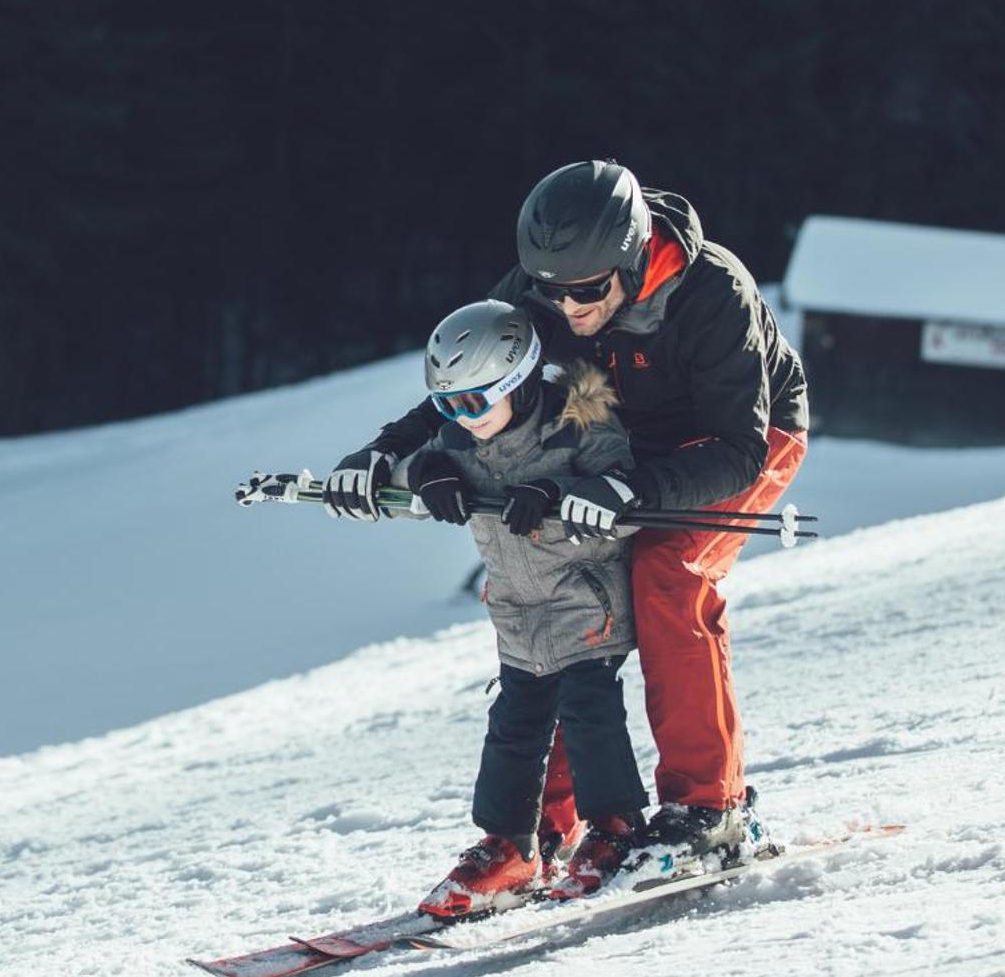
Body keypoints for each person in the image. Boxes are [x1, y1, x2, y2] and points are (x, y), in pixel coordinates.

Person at [324, 160, 810, 880]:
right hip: (605, 438)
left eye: (586, 292)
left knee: (664, 573)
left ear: (632, 258)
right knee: (558, 593)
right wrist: (387, 451)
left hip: (728, 443)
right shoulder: (539, 292)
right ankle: (540, 833)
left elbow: (737, 448)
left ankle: (710, 810)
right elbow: (476, 382)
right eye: (552, 292)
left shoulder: (712, 291)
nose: (568, 308)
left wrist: (626, 489)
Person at [388, 297, 649, 917]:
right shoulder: (460, 437)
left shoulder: (578, 420)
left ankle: (615, 833)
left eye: (475, 401)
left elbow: (625, 486)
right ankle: (509, 846)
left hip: (585, 605)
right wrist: (427, 471)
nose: (462, 417)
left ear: (519, 382)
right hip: (518, 615)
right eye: (449, 404)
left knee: (590, 717)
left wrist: (560, 492)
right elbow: (401, 472)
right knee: (513, 730)